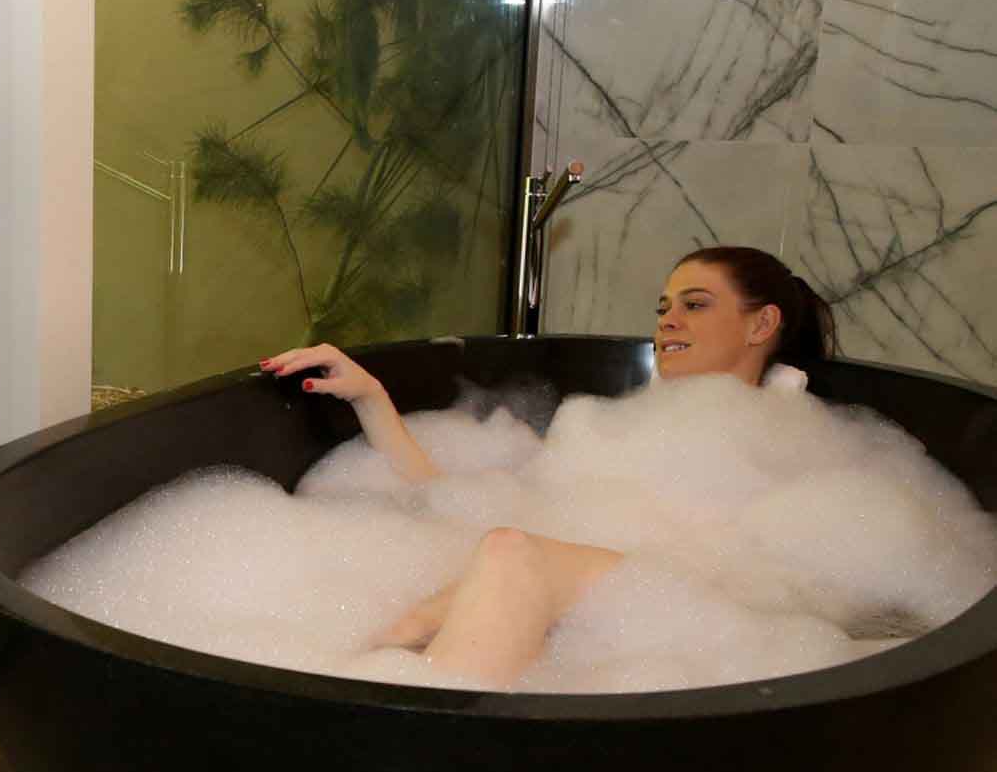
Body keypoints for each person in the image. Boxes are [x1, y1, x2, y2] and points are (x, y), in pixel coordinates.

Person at [259, 246, 839, 688]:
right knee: (453, 585)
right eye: (663, 308)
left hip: (702, 632)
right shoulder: (614, 429)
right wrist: (369, 396)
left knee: (504, 559)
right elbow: (460, 501)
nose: (668, 321)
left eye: (695, 305)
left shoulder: (785, 436)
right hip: (605, 625)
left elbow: (780, 581)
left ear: (761, 326)